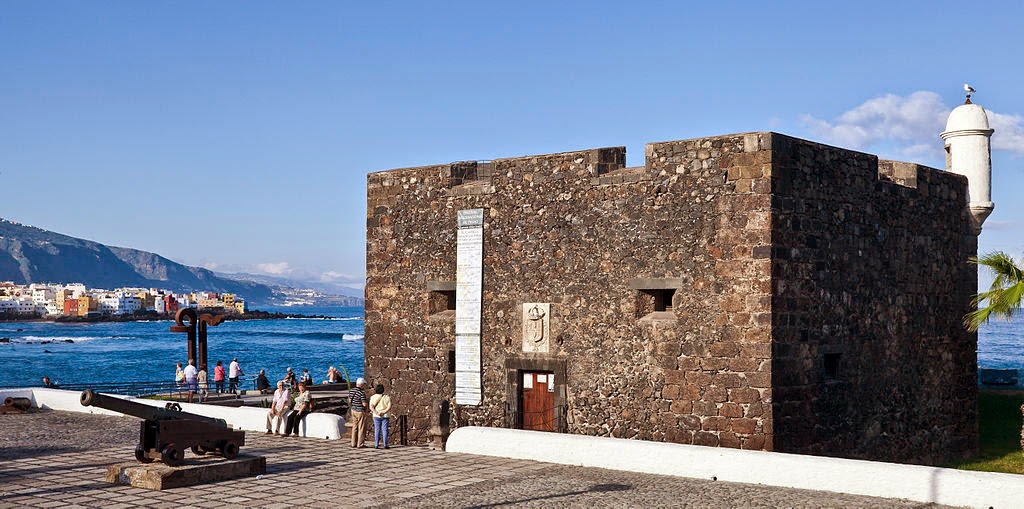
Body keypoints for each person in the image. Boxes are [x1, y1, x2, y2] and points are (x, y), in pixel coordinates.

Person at [369, 383, 392, 449]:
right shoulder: (387, 397)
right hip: (385, 415)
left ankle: (376, 444)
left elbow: (371, 407)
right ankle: (385, 444)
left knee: (377, 429)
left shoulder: (373, 397)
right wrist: (383, 412)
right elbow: (389, 407)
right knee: (385, 430)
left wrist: (376, 412)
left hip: (376, 416)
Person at [349, 377, 369, 448]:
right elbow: (364, 404)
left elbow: (349, 400)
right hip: (360, 411)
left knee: (354, 427)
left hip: (353, 410)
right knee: (361, 428)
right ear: (361, 384)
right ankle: (360, 444)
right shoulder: (361, 392)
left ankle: (353, 443)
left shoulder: (351, 390)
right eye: (363, 384)